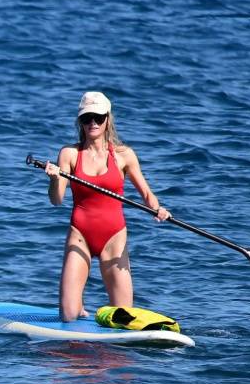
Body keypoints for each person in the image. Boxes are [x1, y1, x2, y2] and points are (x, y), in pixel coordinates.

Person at [44, 92, 171, 322]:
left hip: (114, 239)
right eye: (87, 117)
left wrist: (158, 209)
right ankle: (79, 307)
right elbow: (57, 200)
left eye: (98, 117)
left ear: (107, 119)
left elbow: (147, 195)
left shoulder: (124, 155)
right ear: (80, 122)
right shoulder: (69, 154)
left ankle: (100, 314)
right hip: (80, 236)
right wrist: (54, 178)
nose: (93, 122)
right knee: (68, 316)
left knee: (124, 316)